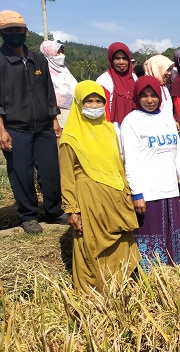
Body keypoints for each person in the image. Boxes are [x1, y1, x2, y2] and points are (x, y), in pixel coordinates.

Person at [59, 80, 140, 293]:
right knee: (91, 244)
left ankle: (119, 283)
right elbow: (67, 176)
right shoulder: (70, 137)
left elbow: (118, 163)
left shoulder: (109, 130)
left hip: (115, 197)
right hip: (89, 199)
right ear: (78, 103)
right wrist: (72, 209)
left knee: (122, 240)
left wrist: (127, 190)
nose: (94, 106)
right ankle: (93, 291)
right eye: (89, 101)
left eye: (98, 101)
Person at [0, 10, 67, 234]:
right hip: (16, 127)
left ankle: (53, 210)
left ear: (26, 32)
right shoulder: (1, 60)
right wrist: (1, 130)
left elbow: (48, 90)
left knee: (50, 171)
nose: (14, 35)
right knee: (21, 173)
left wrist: (54, 119)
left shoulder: (37, 59)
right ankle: (27, 214)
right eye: (8, 31)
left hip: (44, 126)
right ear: (2, 34)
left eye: (18, 30)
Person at [120, 76, 180, 271]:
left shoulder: (166, 117)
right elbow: (130, 160)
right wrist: (137, 193)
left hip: (169, 188)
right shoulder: (132, 121)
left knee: (171, 231)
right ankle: (152, 276)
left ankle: (172, 271)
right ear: (137, 97)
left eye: (153, 95)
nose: (149, 100)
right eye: (144, 96)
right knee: (150, 235)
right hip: (149, 192)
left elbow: (176, 152)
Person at [96, 42, 137, 132]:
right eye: (117, 58)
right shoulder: (104, 80)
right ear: (111, 60)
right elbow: (103, 110)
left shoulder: (134, 78)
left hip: (135, 127)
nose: (121, 62)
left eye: (125, 58)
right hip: (114, 129)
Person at [39, 40, 78, 128]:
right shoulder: (44, 71)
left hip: (74, 113)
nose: (61, 55)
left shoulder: (64, 70)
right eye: (57, 52)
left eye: (61, 52)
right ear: (49, 53)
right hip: (58, 117)